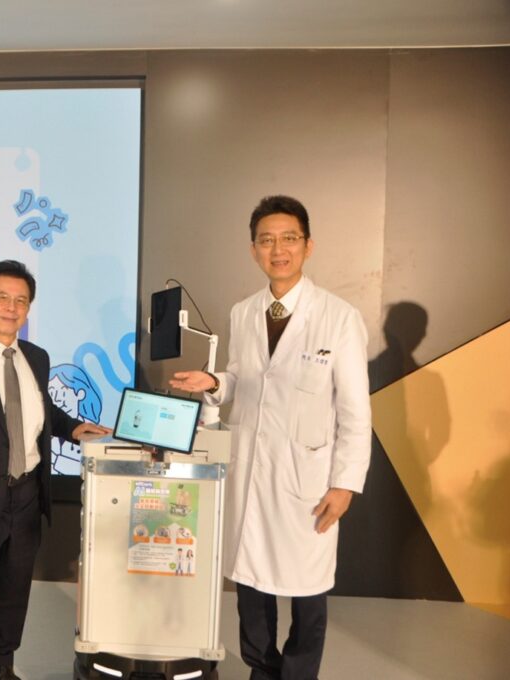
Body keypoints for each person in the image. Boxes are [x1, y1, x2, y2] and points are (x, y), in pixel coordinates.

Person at [169, 195, 371, 680]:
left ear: (307, 245)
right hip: (253, 471)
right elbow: (243, 378)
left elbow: (355, 411)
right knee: (252, 583)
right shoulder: (244, 313)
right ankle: (262, 668)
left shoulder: (339, 317)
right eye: (266, 241)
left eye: (288, 239)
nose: (278, 250)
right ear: (253, 249)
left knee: (308, 590)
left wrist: (345, 484)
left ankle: (298, 674)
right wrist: (214, 382)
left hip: (308, 479)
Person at [0, 260, 110, 680]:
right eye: (2, 298)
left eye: (21, 300)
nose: (11, 308)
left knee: (14, 592)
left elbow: (41, 411)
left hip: (27, 495)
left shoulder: (37, 358)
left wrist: (72, 427)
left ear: (28, 308)